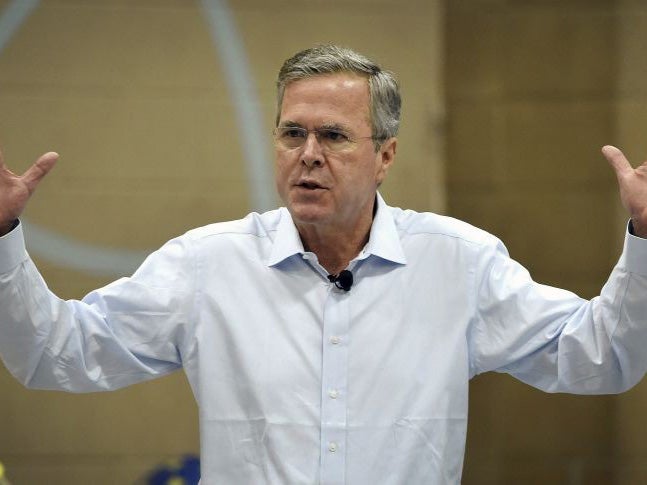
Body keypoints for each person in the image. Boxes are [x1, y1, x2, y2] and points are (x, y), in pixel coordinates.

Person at [1, 45, 647, 484]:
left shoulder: (458, 264)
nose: (307, 154)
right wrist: (3, 232)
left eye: (333, 136)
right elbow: (54, 351)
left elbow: (599, 356)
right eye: (292, 133)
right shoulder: (206, 266)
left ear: (386, 156)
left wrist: (643, 236)